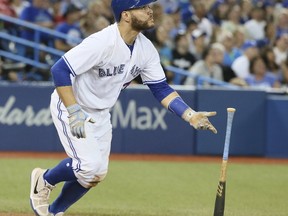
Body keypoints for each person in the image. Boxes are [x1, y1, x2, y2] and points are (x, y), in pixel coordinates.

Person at [29, 1, 217, 216]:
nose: (149, 10)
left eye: (149, 6)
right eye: (143, 7)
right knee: (88, 166)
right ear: (126, 15)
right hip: (72, 104)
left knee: (96, 174)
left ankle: (54, 212)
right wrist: (73, 111)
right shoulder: (102, 42)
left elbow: (161, 88)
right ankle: (44, 179)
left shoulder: (145, 49)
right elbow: (60, 70)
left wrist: (189, 114)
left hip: (101, 113)